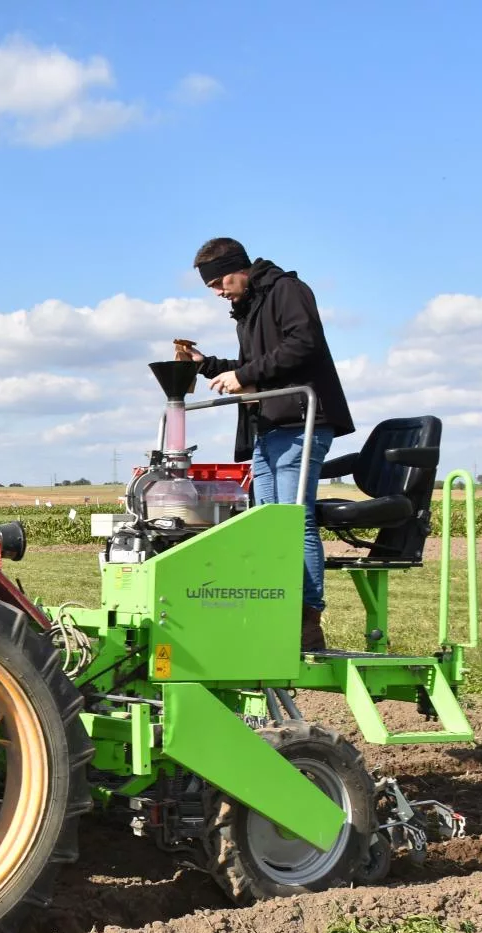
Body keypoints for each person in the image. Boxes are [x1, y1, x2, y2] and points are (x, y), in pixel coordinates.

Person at [177, 238, 354, 652]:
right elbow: (256, 367)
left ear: (241, 268)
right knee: (266, 523)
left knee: (294, 521)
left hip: (303, 421)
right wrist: (208, 366)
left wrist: (246, 375)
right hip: (270, 425)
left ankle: (306, 622)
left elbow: (303, 344)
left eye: (220, 282)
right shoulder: (251, 309)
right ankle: (274, 609)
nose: (220, 292)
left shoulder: (287, 291)